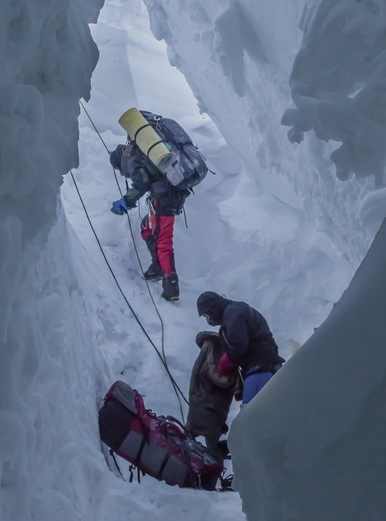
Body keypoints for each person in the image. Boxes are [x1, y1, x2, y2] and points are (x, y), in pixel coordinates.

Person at [108, 136, 184, 302]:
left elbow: (141, 183)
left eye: (121, 170)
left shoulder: (133, 159)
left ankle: (171, 286)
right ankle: (157, 267)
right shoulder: (142, 152)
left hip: (165, 198)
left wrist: (126, 202)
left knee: (163, 242)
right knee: (146, 227)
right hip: (168, 196)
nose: (123, 173)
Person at [196, 292, 284, 404]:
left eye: (206, 316)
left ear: (213, 308)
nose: (208, 320)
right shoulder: (233, 313)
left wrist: (226, 361)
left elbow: (239, 345)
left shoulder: (232, 313)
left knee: (252, 415)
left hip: (260, 368)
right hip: (267, 366)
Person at [185, 330, 238, 461]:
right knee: (212, 455)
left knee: (188, 445)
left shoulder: (208, 347)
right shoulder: (217, 348)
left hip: (199, 407)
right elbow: (221, 379)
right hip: (210, 411)